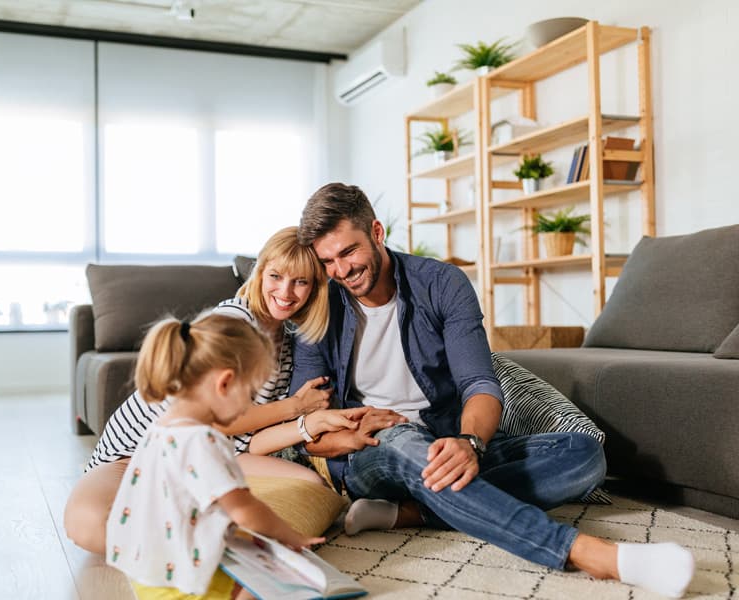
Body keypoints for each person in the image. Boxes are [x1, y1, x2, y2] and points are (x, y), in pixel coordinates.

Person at [290, 182, 695, 599]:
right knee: (405, 441)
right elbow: (307, 432)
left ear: (376, 232)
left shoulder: (440, 283)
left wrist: (469, 442)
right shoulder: (320, 304)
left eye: (348, 252)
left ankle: (414, 513)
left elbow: (479, 382)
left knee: (584, 456)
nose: (339, 270)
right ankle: (591, 554)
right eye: (327, 261)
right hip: (372, 453)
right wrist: (355, 435)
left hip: (445, 439)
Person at [65, 226, 369, 554]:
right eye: (276, 276)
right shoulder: (233, 322)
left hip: (214, 452)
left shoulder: (289, 344)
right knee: (93, 524)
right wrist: (296, 407)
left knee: (312, 488)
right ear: (259, 272)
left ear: (314, 288)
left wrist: (308, 425)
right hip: (136, 455)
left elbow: (248, 442)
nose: (286, 291)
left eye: (300, 281)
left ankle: (215, 538)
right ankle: (194, 539)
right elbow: (222, 422)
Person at [106, 311, 325, 599]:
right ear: (225, 383)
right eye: (251, 394)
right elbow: (245, 509)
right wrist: (290, 535)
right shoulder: (203, 440)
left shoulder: (161, 428)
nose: (250, 406)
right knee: (283, 583)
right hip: (185, 582)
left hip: (148, 574)